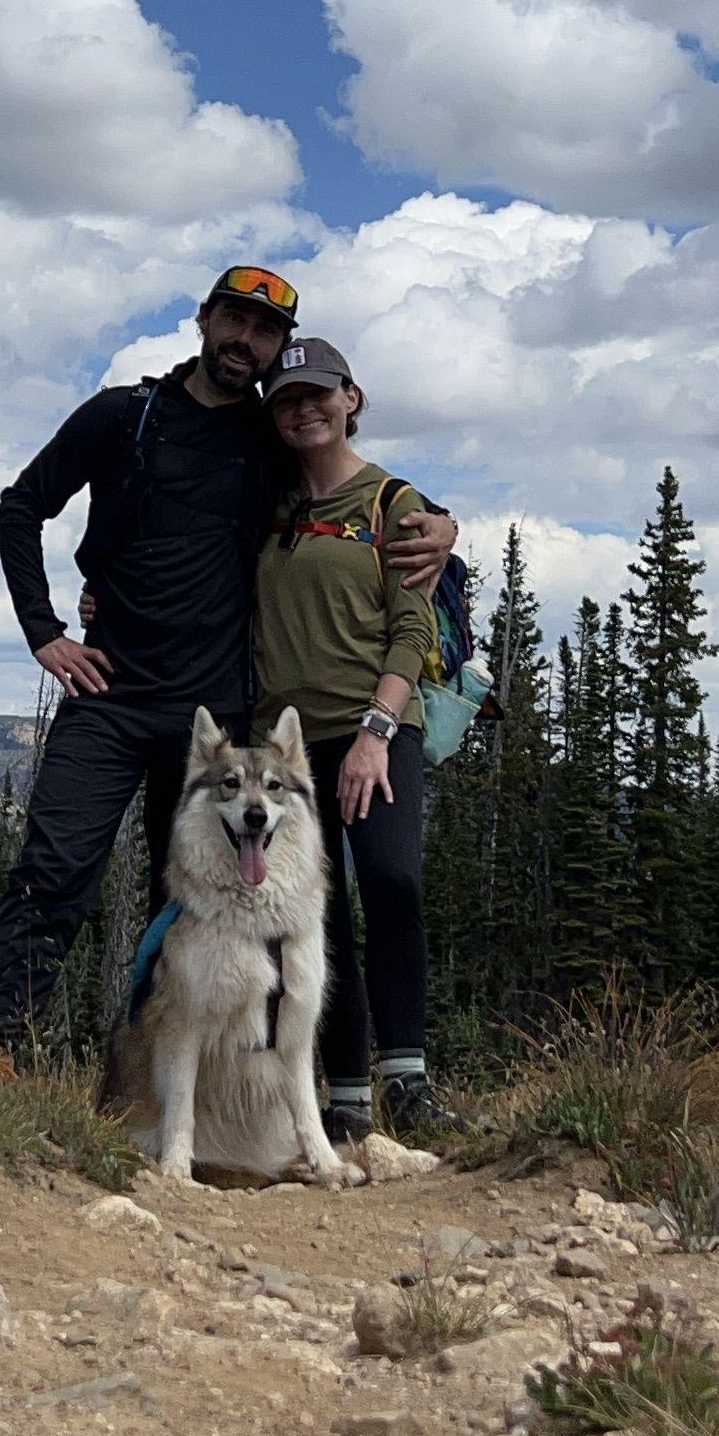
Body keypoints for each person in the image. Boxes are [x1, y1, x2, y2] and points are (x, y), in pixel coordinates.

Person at [0, 262, 453, 1053]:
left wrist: (441, 523)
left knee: (203, 906)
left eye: (266, 331)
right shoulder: (121, 416)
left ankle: (193, 1080)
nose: (246, 339)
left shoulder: (270, 440)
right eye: (235, 319)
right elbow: (21, 508)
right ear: (202, 320)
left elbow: (354, 497)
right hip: (109, 693)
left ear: (279, 347)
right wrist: (45, 631)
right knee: (52, 873)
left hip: (217, 719)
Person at [252, 336, 439, 1142]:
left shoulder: (392, 502)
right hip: (288, 752)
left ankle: (410, 1078)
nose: (305, 409)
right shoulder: (268, 508)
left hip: (377, 728)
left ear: (351, 398)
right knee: (315, 918)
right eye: (288, 399)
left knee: (393, 882)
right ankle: (348, 1096)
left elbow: (412, 625)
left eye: (319, 394)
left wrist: (376, 730)